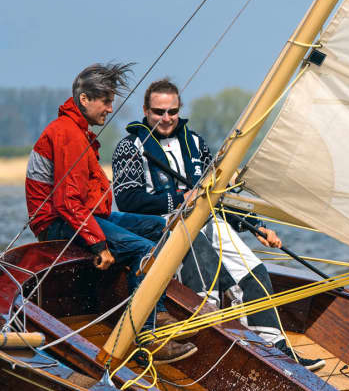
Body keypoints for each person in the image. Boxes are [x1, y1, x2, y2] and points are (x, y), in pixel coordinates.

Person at [111, 78, 324, 371]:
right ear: (145, 110)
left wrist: (255, 226)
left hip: (208, 220)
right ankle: (208, 355)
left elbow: (219, 193)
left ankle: (276, 351)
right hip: (164, 226)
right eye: (159, 112)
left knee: (255, 272)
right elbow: (126, 199)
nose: (166, 118)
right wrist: (178, 198)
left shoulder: (196, 143)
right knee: (205, 272)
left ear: (179, 110)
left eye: (172, 111)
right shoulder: (129, 148)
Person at [25, 63, 196, 363]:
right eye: (105, 100)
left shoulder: (77, 131)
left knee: (157, 228)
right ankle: (147, 340)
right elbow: (67, 203)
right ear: (84, 99)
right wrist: (99, 244)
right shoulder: (67, 134)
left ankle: (156, 310)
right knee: (143, 249)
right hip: (59, 224)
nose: (110, 108)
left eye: (111, 100)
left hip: (84, 217)